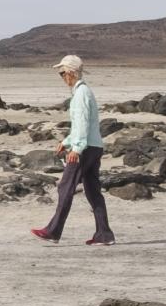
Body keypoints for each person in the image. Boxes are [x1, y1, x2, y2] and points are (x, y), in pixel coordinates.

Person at [32, 54, 113, 245]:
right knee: (93, 191)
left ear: (71, 73)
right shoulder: (82, 92)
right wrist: (67, 141)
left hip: (84, 149)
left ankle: (53, 231)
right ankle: (104, 234)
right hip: (94, 146)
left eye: (62, 73)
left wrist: (76, 149)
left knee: (65, 187)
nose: (61, 77)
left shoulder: (82, 93)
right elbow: (80, 126)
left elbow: (83, 125)